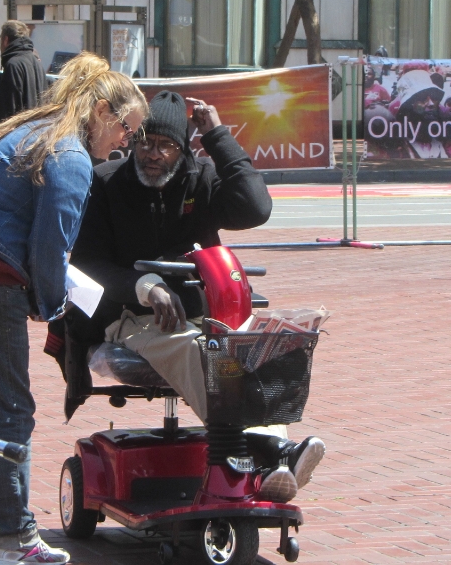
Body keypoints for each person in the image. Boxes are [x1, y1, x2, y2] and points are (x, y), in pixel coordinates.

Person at [0, 52, 148, 565]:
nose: (126, 143)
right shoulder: (70, 157)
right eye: (125, 129)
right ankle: (15, 538)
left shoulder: (35, 129)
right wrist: (50, 307)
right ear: (100, 110)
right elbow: (52, 249)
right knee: (11, 409)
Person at [62, 90, 326, 504]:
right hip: (129, 317)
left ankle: (266, 455)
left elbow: (256, 208)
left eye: (166, 146)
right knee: (200, 351)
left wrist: (218, 136)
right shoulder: (105, 183)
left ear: (183, 149)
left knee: (243, 349)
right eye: (145, 142)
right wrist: (145, 286)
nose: (153, 154)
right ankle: (272, 452)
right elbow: (87, 264)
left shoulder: (199, 177)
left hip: (201, 315)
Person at [0, 20, 47, 123]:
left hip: (19, 133)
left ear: (5, 40)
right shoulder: (38, 64)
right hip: (38, 130)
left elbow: (9, 108)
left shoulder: (13, 64)